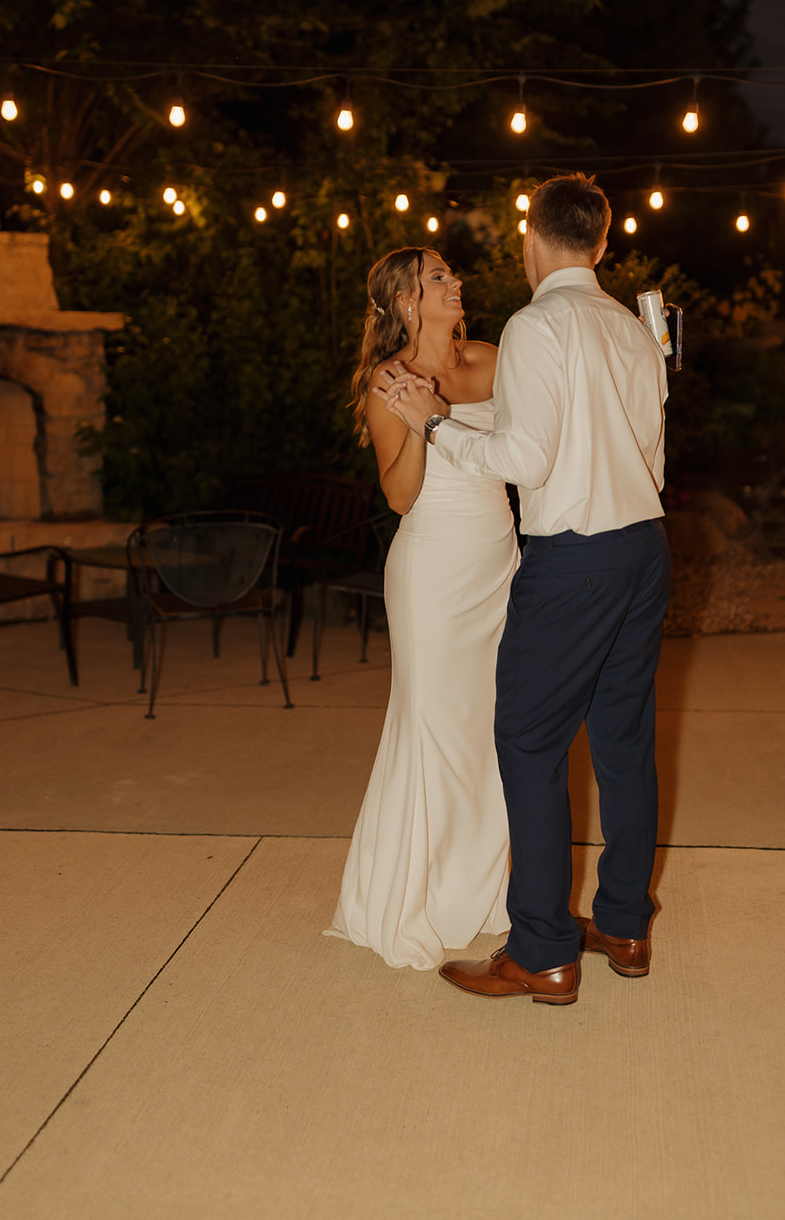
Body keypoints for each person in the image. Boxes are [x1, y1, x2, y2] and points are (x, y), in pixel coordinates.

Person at [385, 175, 670, 1006]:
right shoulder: (628, 327)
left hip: (575, 557)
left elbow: (525, 461)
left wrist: (436, 425)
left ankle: (542, 947)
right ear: (601, 244)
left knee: (529, 741)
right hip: (644, 548)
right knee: (621, 740)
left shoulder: (537, 324)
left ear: (530, 239)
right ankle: (621, 923)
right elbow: (652, 454)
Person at [325, 247, 519, 970]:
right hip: (432, 569)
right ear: (405, 299)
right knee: (434, 724)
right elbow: (400, 494)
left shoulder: (492, 359)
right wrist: (414, 418)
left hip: (498, 561)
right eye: (437, 276)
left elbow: (521, 453)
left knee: (492, 728)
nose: (453, 282)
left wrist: (445, 416)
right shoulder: (389, 380)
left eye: (448, 273)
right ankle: (413, 896)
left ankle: (480, 888)